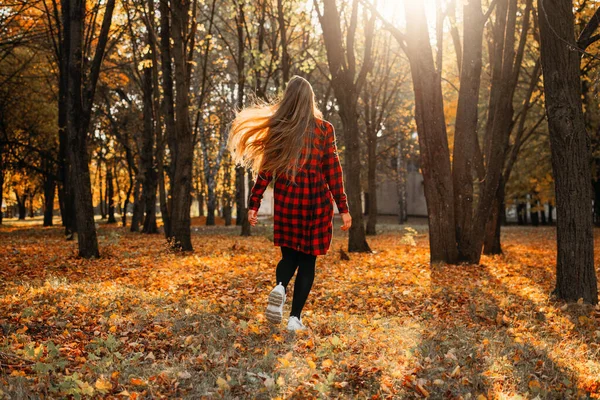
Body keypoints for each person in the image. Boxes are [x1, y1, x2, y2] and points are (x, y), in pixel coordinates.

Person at [228, 76, 352, 331]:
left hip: (287, 202)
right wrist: (343, 207)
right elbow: (333, 171)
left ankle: (280, 286)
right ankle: (295, 318)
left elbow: (265, 171)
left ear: (288, 99)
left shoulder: (279, 129)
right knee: (308, 261)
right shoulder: (324, 129)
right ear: (310, 100)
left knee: (289, 256)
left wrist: (254, 203)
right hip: (316, 204)